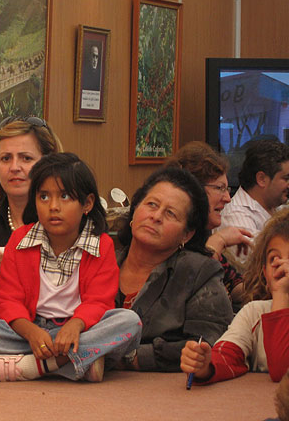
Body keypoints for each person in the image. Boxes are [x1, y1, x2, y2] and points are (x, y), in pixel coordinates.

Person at [0, 153, 142, 382]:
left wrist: (76, 325)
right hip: (30, 331)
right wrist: (31, 332)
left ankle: (33, 366)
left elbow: (100, 301)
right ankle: (77, 362)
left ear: (87, 203)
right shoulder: (20, 240)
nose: (53, 207)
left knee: (129, 323)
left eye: (65, 196)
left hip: (80, 331)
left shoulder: (101, 245)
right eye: (44, 197)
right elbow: (7, 301)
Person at [115, 167, 233, 372]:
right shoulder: (102, 261)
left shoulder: (200, 273)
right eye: (151, 205)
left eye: (170, 213)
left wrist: (132, 357)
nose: (156, 216)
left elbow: (207, 345)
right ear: (134, 210)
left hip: (164, 393)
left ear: (186, 234)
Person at [180, 208, 289, 384]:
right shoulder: (254, 313)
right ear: (265, 274)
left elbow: (282, 372)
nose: (282, 266)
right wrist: (204, 365)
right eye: (274, 259)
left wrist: (282, 294)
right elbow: (226, 354)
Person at [0, 116, 62, 310]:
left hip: (60, 324)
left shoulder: (67, 219)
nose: (14, 167)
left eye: (26, 158)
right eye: (5, 158)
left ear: (49, 164)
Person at [167, 141, 252, 308]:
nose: (228, 198)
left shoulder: (203, 236)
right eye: (220, 188)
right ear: (193, 190)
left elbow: (237, 287)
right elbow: (188, 285)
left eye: (227, 189)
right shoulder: (171, 239)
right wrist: (219, 241)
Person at [221, 139, 289, 266]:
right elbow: (265, 265)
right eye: (286, 178)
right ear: (261, 179)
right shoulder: (236, 217)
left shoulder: (278, 207)